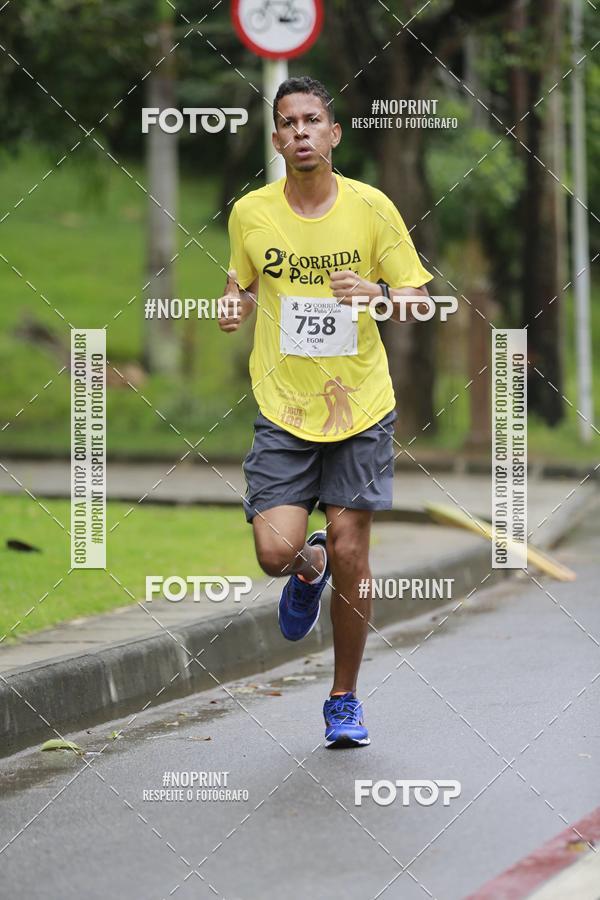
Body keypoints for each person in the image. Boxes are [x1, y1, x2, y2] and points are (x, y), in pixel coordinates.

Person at [218, 76, 432, 748]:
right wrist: (233, 305)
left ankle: (343, 698)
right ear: (277, 138)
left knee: (352, 551)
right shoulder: (251, 212)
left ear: (333, 134)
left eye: (313, 120)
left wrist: (376, 293)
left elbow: (419, 301)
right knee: (274, 551)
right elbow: (240, 282)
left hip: (359, 408)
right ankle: (306, 568)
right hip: (284, 407)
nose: (302, 132)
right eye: (290, 123)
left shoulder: (372, 208)